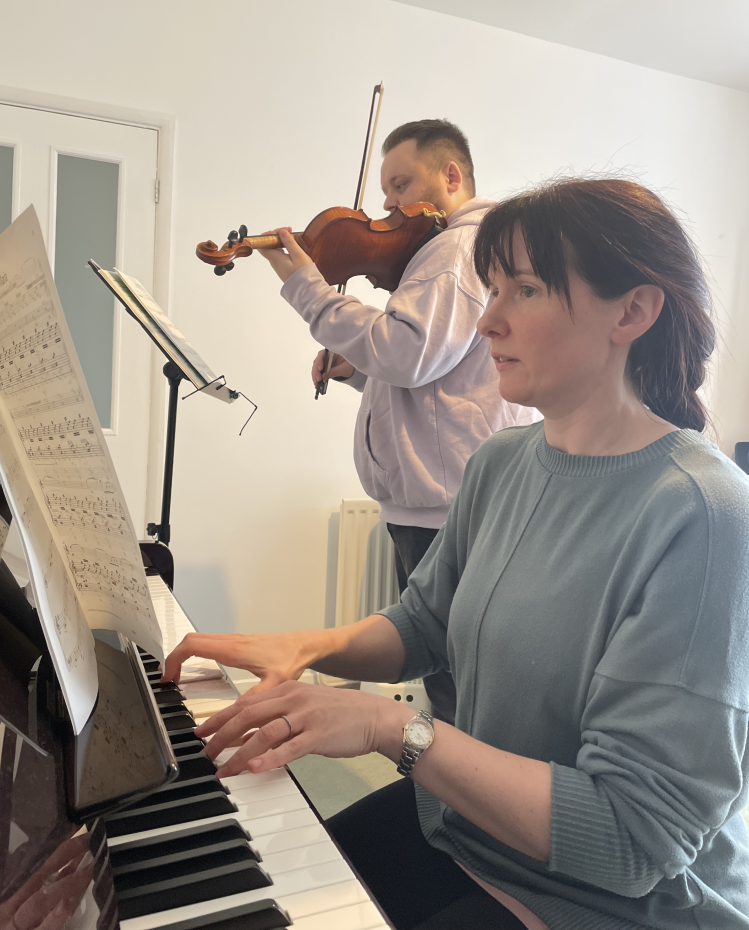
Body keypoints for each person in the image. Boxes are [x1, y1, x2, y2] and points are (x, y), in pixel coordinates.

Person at [166, 177, 749, 930]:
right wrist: (303, 646)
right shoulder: (503, 459)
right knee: (235, 903)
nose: (487, 322)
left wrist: (389, 729)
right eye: (491, 288)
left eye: (526, 291)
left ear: (633, 312)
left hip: (612, 905)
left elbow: (635, 839)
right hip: (464, 831)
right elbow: (425, 623)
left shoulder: (705, 514)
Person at [254, 119, 538, 723]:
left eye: (401, 183)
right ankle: (453, 798)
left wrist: (309, 290)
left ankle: (460, 803)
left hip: (444, 504)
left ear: (451, 175)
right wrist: (358, 371)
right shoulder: (461, 250)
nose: (387, 206)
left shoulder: (454, 248)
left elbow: (409, 353)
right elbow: (440, 374)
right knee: (451, 673)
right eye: (386, 189)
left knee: (454, 681)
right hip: (444, 497)